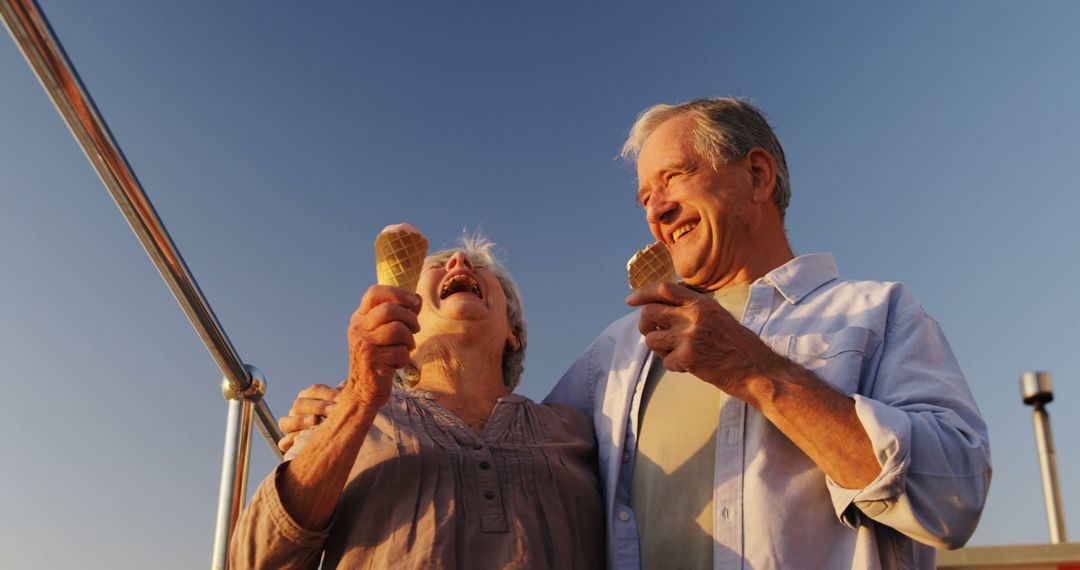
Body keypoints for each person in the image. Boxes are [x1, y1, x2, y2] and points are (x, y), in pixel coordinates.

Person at [544, 98, 991, 569]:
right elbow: (520, 463)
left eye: (674, 176)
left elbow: (952, 499)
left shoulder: (878, 313)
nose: (656, 210)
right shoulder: (615, 350)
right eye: (644, 198)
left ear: (758, 174)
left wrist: (756, 371)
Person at [230, 231, 604, 569]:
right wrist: (359, 399)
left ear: (513, 334)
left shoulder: (577, 428)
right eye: (440, 265)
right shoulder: (346, 415)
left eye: (480, 267)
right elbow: (256, 559)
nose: (460, 263)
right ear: (407, 317)